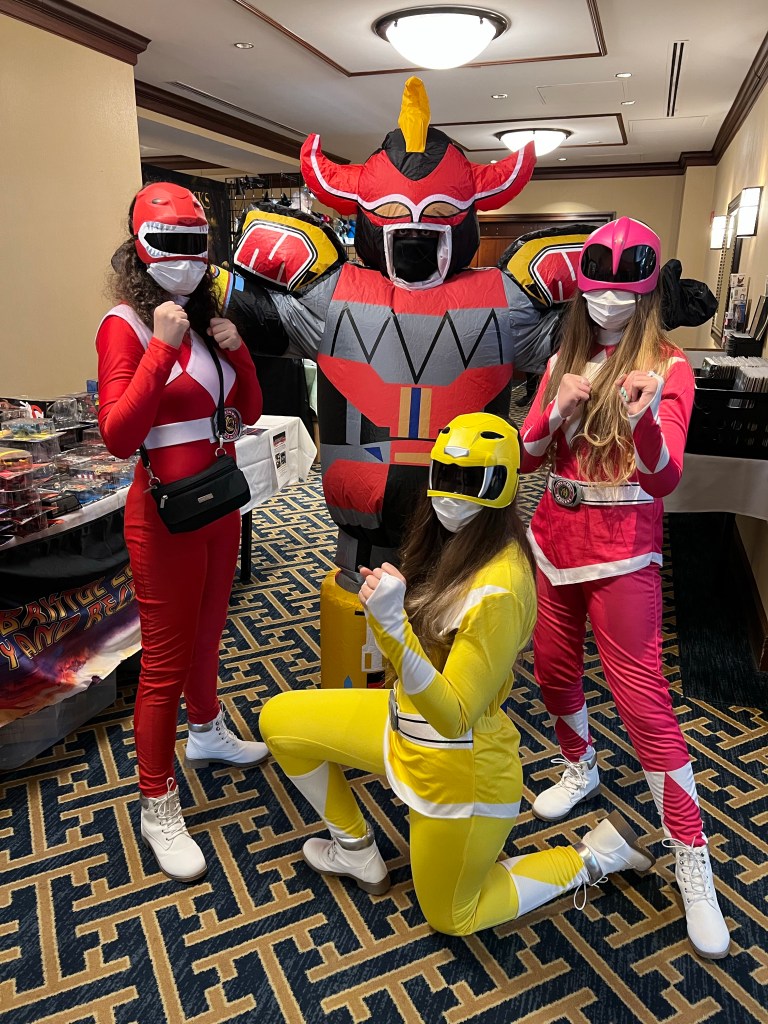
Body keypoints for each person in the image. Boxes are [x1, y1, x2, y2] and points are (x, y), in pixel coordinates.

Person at [259, 413, 656, 936]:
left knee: (452, 916)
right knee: (281, 721)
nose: (451, 494)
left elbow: (454, 716)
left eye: (470, 481)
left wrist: (392, 629)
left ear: (502, 486)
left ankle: (593, 856)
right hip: (403, 725)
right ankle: (355, 850)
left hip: (459, 771)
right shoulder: (451, 542)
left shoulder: (500, 587)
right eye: (444, 475)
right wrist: (394, 620)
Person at [519, 217, 730, 959]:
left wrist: (641, 420)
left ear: (645, 294)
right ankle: (579, 765)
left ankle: (692, 857)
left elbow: (664, 478)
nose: (608, 302)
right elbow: (528, 456)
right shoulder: (563, 358)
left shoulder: (670, 366)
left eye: (623, 292)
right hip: (554, 540)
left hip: (624, 552)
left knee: (644, 704)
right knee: (552, 672)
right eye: (596, 290)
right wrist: (557, 409)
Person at [97, 182, 267, 883]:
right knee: (163, 663)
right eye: (171, 245)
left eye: (198, 245)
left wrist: (239, 351)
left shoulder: (203, 320)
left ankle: (207, 732)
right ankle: (156, 802)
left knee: (208, 632)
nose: (187, 260)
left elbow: (247, 411)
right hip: (163, 515)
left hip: (219, 503)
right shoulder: (125, 325)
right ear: (140, 249)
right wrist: (160, 350)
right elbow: (118, 435)